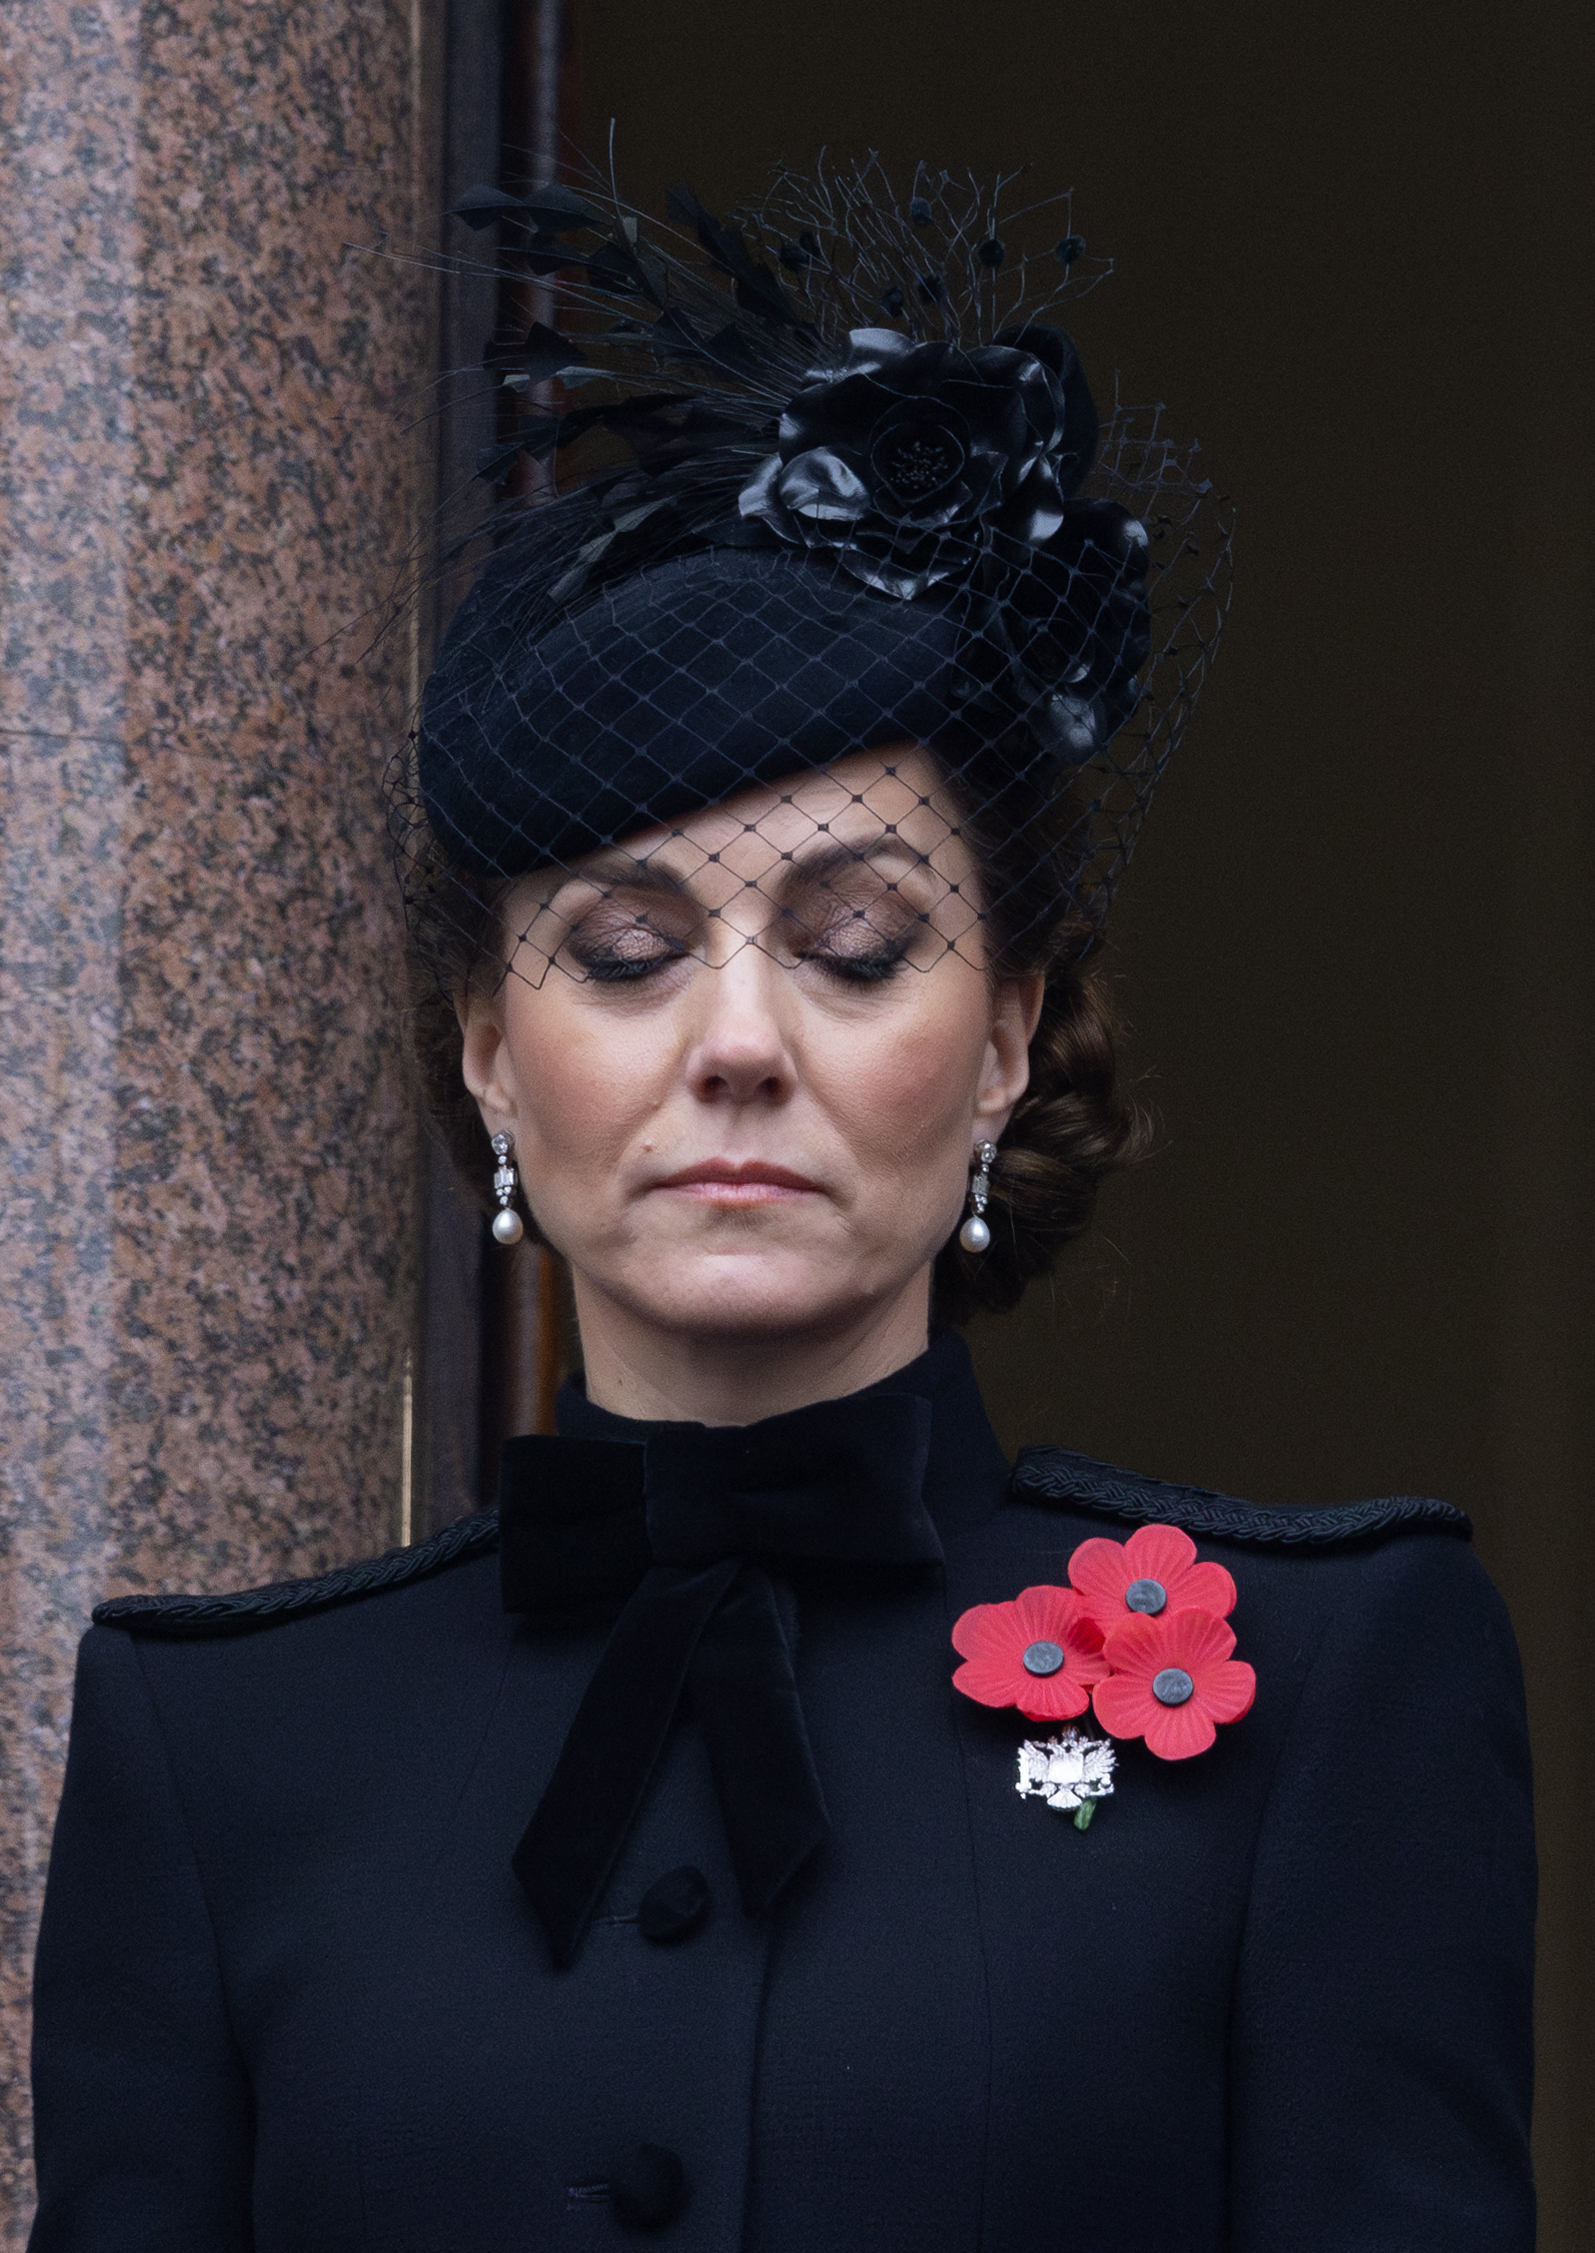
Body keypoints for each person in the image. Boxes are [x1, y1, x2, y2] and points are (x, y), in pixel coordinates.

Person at [28, 160, 1534, 2251]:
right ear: (486, 1047)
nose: (738, 1040)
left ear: (1007, 1034)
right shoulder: (222, 1754)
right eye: (629, 951)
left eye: (853, 943)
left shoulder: (1328, 1687)